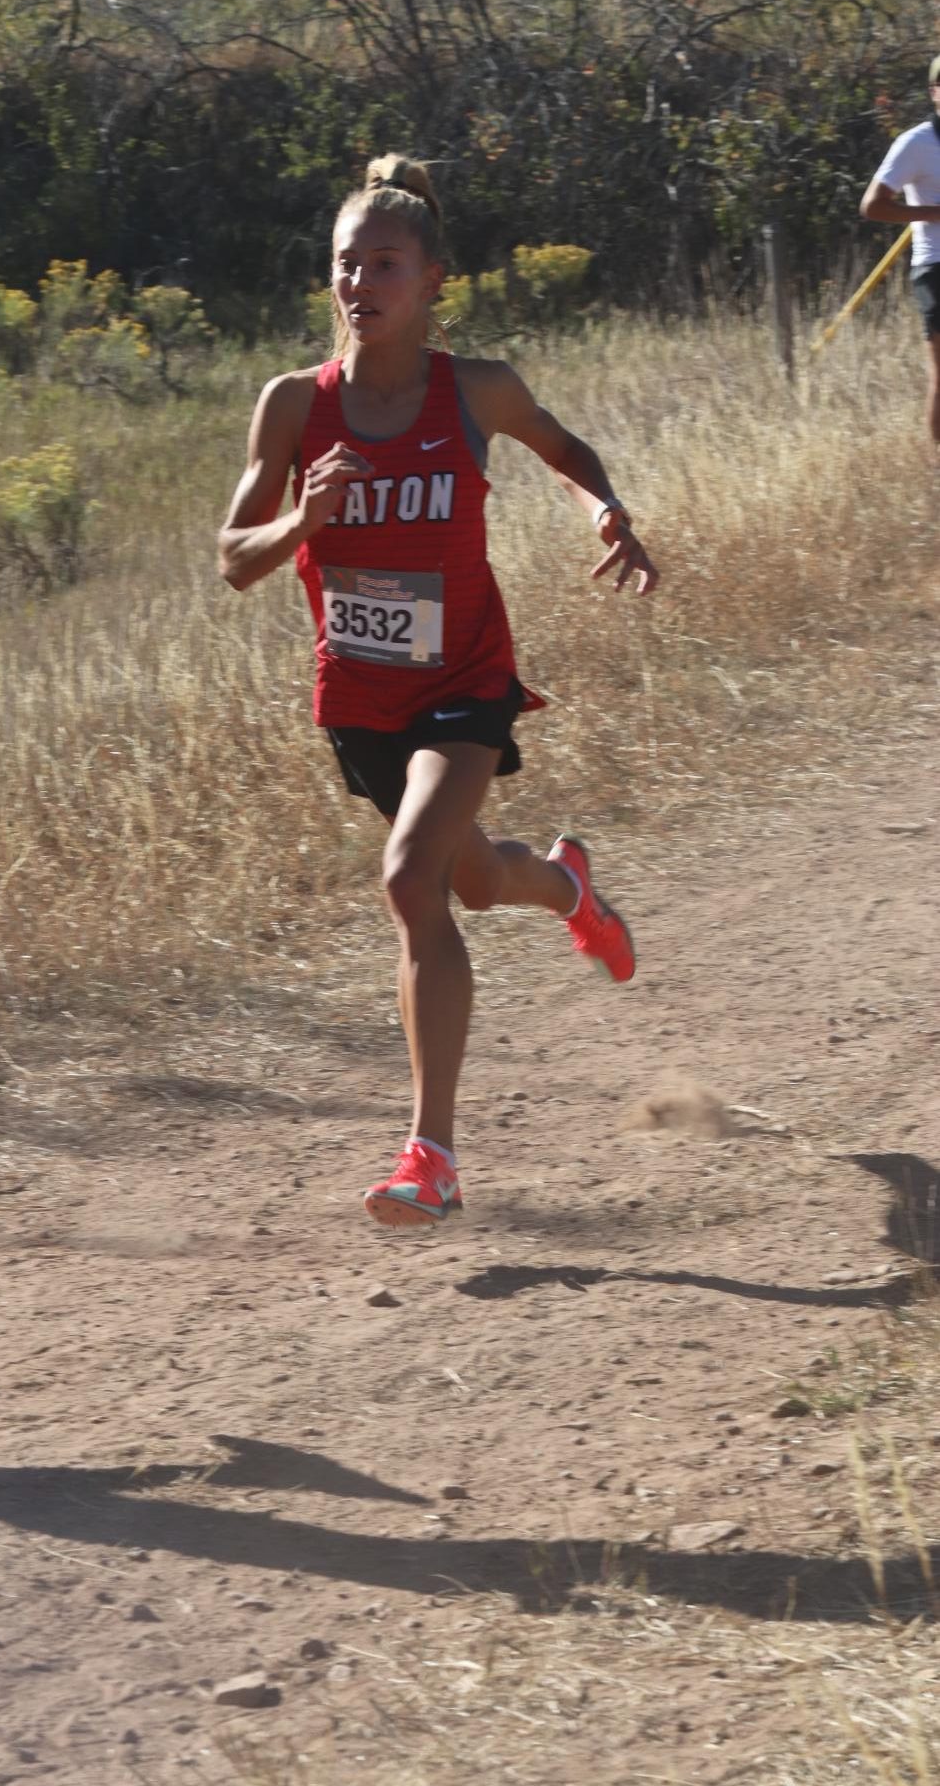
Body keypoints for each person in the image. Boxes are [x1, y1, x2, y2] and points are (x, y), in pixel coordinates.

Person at [217, 154, 659, 1229]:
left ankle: (432, 1156)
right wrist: (301, 523)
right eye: (343, 265)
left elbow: (568, 451)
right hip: (358, 701)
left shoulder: (475, 390)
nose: (358, 284)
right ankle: (566, 888)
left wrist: (606, 512)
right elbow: (234, 556)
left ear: (431, 280)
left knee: (409, 877)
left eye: (383, 264)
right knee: (467, 882)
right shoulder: (292, 408)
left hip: (465, 683)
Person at [859, 54, 940, 445]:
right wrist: (934, 213)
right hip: (936, 267)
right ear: (934, 93)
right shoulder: (915, 143)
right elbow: (873, 205)